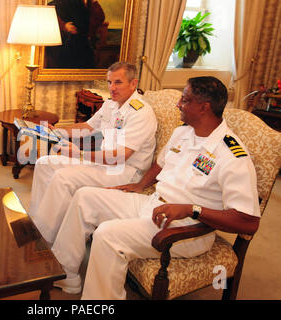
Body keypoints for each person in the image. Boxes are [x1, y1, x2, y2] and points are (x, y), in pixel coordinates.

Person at [50, 76, 261, 298]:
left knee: (108, 235)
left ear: (203, 107)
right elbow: (160, 164)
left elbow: (249, 222)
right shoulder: (184, 132)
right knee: (85, 197)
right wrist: (140, 185)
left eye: (185, 100)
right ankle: (66, 275)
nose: (178, 104)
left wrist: (192, 209)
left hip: (187, 229)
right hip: (154, 205)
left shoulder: (232, 155)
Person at [28, 62, 157, 246]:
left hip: (126, 171)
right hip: (105, 163)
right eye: (109, 82)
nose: (112, 88)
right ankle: (37, 223)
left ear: (133, 83)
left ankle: (43, 241)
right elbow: (87, 127)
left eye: (118, 82)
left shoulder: (140, 113)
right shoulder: (111, 105)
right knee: (44, 163)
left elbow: (120, 157)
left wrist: (80, 154)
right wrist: (56, 132)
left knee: (64, 178)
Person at [45, 0, 106, 68]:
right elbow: (48, 21)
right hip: (62, 49)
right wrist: (63, 26)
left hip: (81, 46)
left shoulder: (83, 4)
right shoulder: (54, 5)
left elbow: (98, 19)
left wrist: (93, 2)